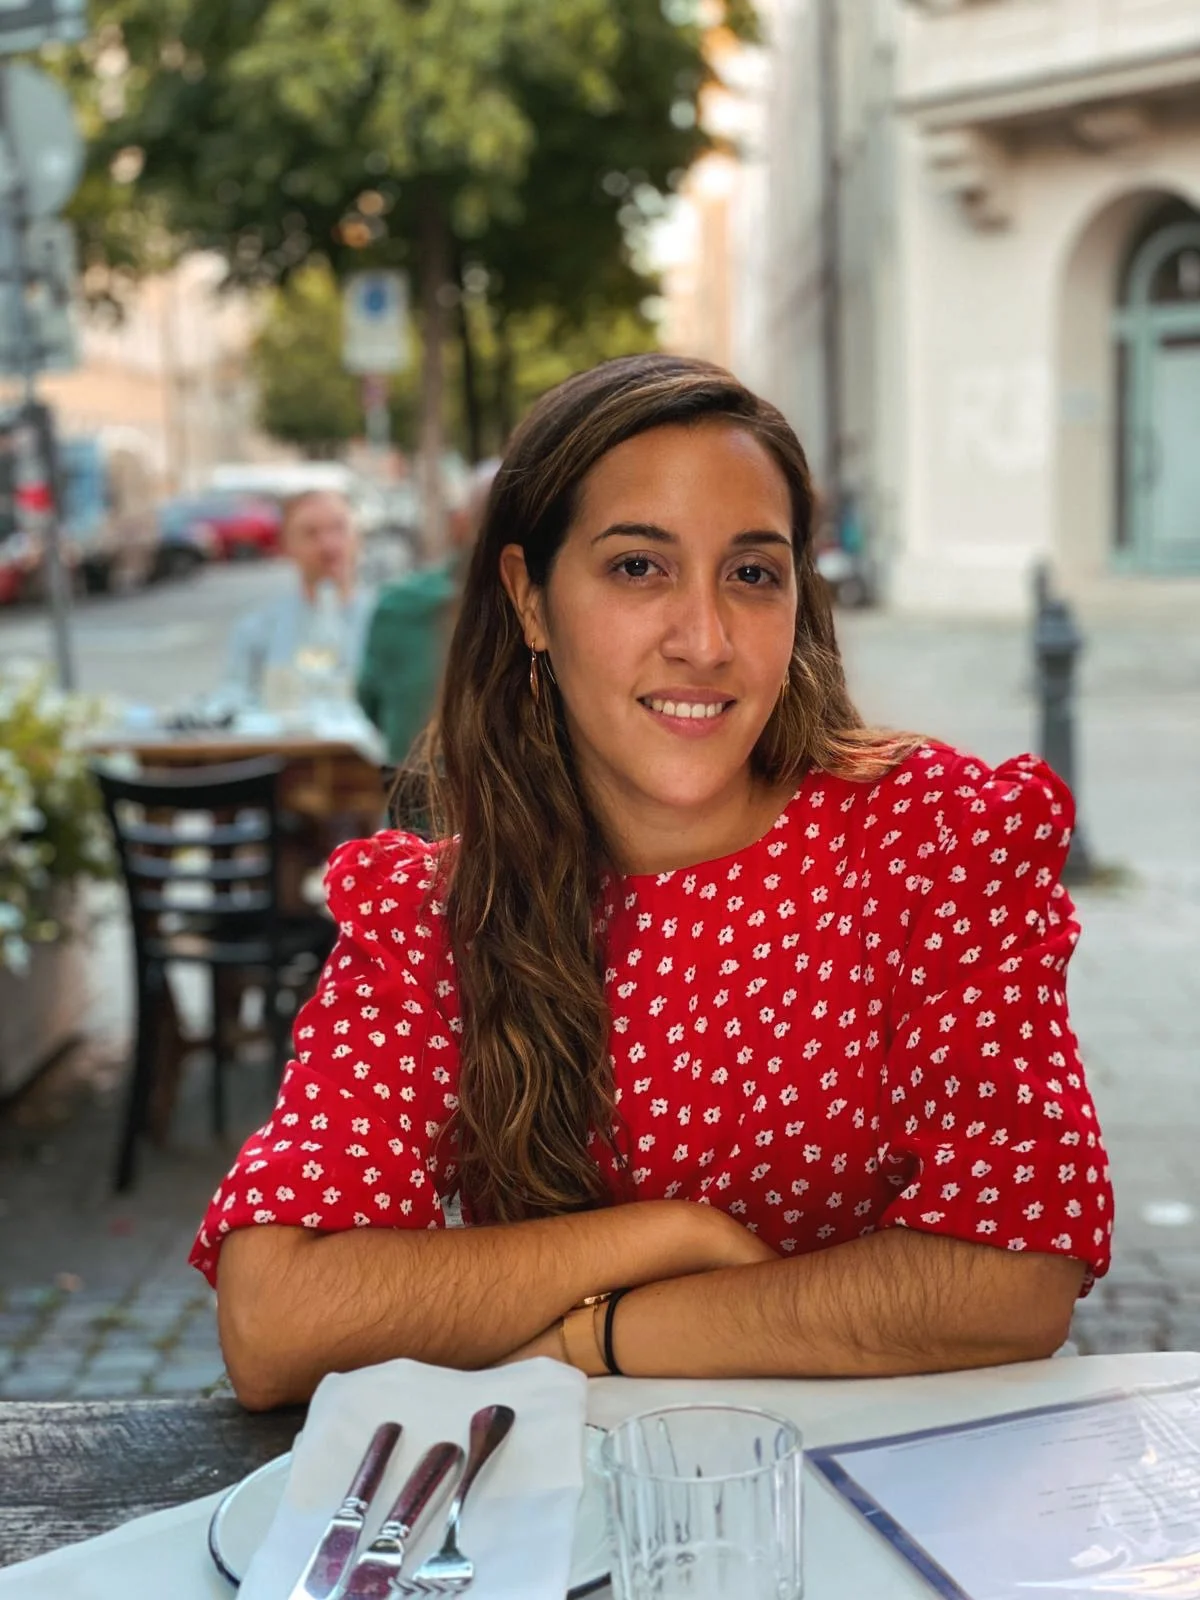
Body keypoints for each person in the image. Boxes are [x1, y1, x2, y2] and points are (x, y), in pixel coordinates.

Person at [193, 354, 1113, 1410]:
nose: (706, 639)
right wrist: (669, 1234)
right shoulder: (438, 913)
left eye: (753, 573)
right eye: (639, 568)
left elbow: (1014, 1274)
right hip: (576, 1545)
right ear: (529, 600)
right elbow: (274, 1320)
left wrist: (600, 1336)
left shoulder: (932, 841)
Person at [357, 461, 500, 766]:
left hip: (407, 801)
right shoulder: (541, 612)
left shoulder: (397, 604)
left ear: (461, 524)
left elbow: (370, 705)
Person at [223, 489, 375, 706]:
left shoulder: (390, 622)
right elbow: (233, 703)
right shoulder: (257, 630)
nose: (328, 545)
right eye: (310, 533)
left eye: (339, 528)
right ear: (286, 546)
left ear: (358, 536)